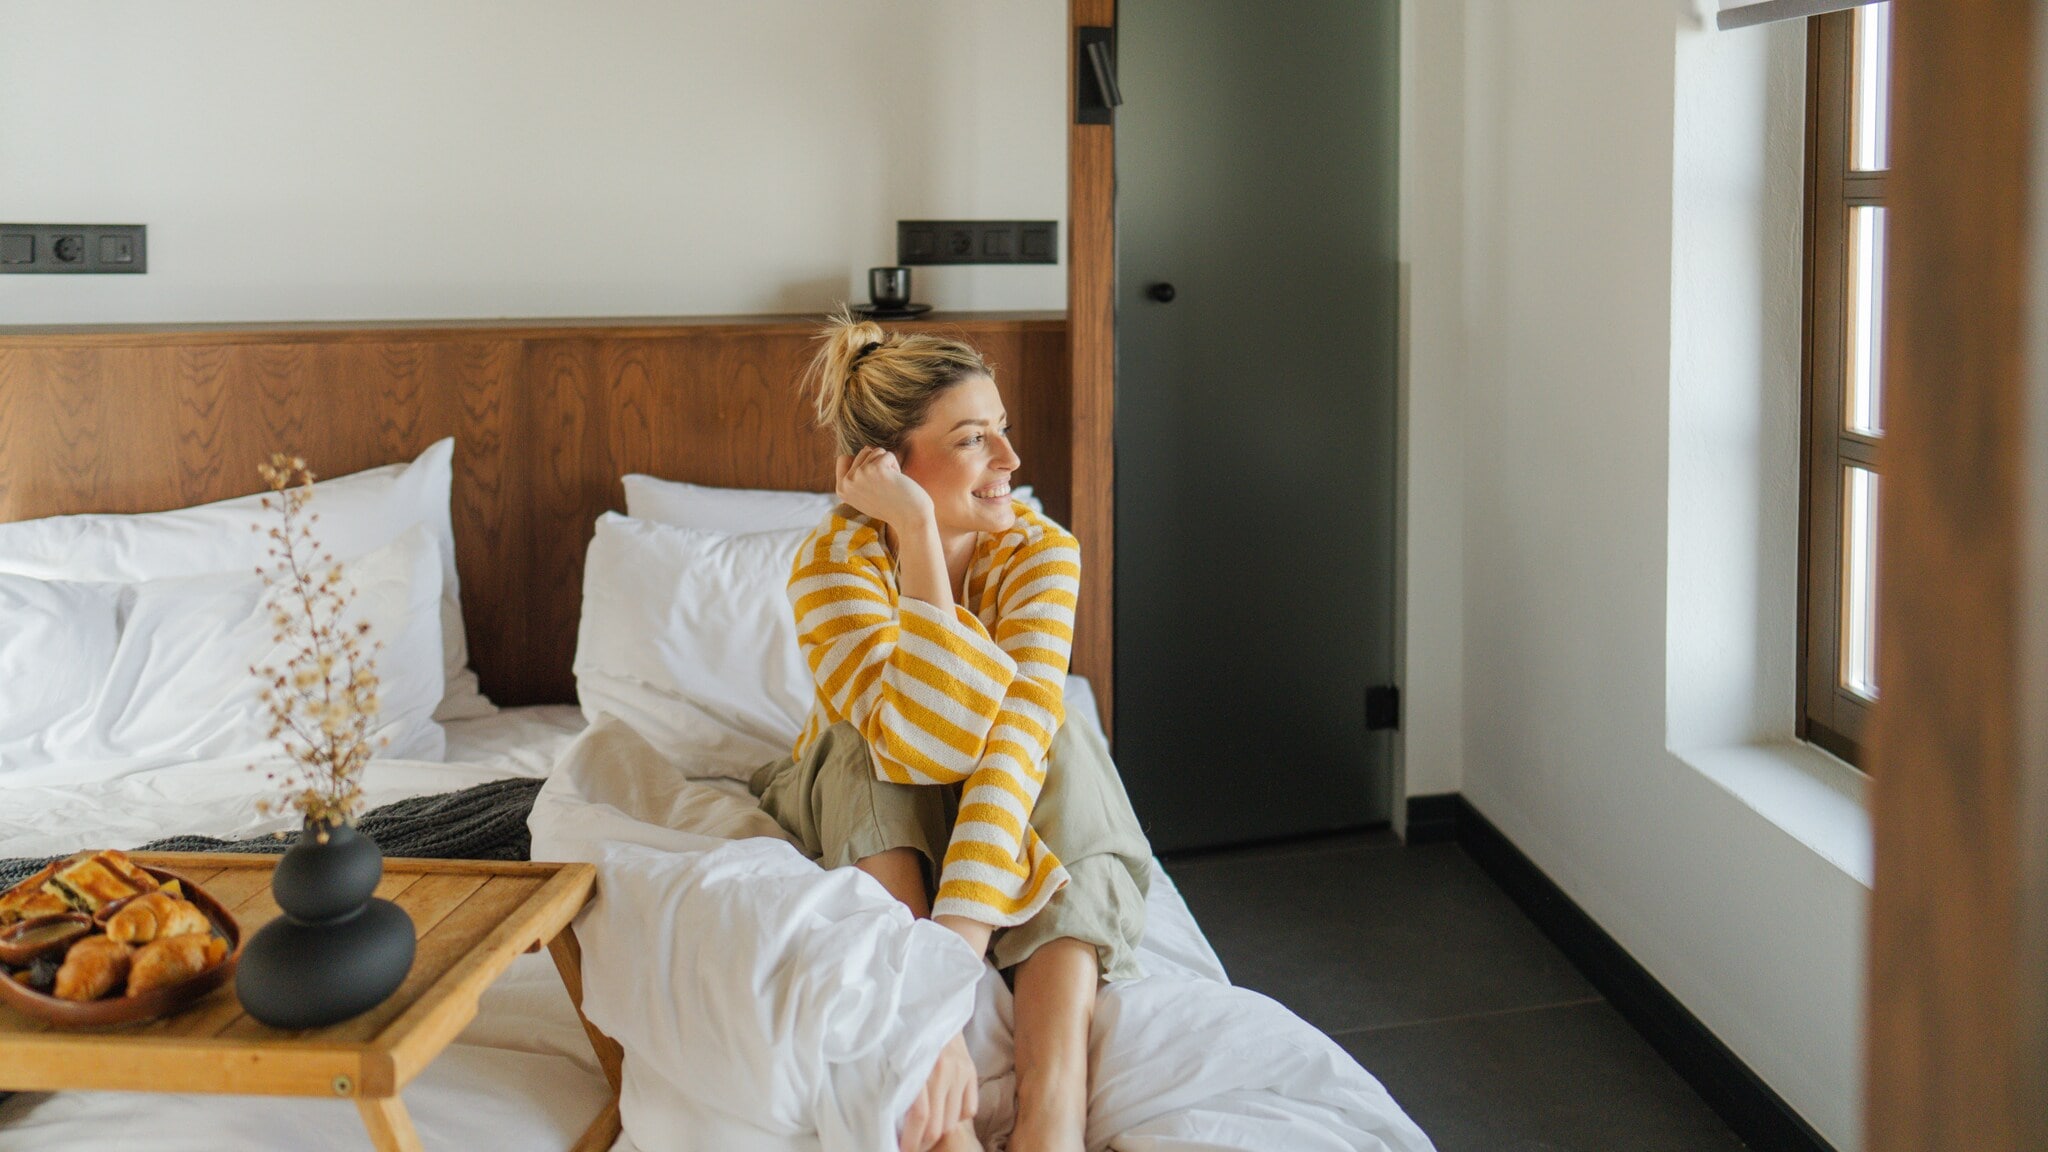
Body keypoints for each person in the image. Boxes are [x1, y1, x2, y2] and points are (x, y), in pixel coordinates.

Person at [749, 310, 1153, 1152]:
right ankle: (939, 1117)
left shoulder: (1043, 554)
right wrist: (920, 536)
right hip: (875, 804)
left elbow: (1009, 753)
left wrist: (950, 968)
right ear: (888, 467)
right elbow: (917, 748)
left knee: (1060, 738)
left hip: (1004, 802)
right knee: (859, 746)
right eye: (976, 439)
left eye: (1002, 431)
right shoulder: (833, 563)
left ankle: (1052, 1112)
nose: (1011, 461)